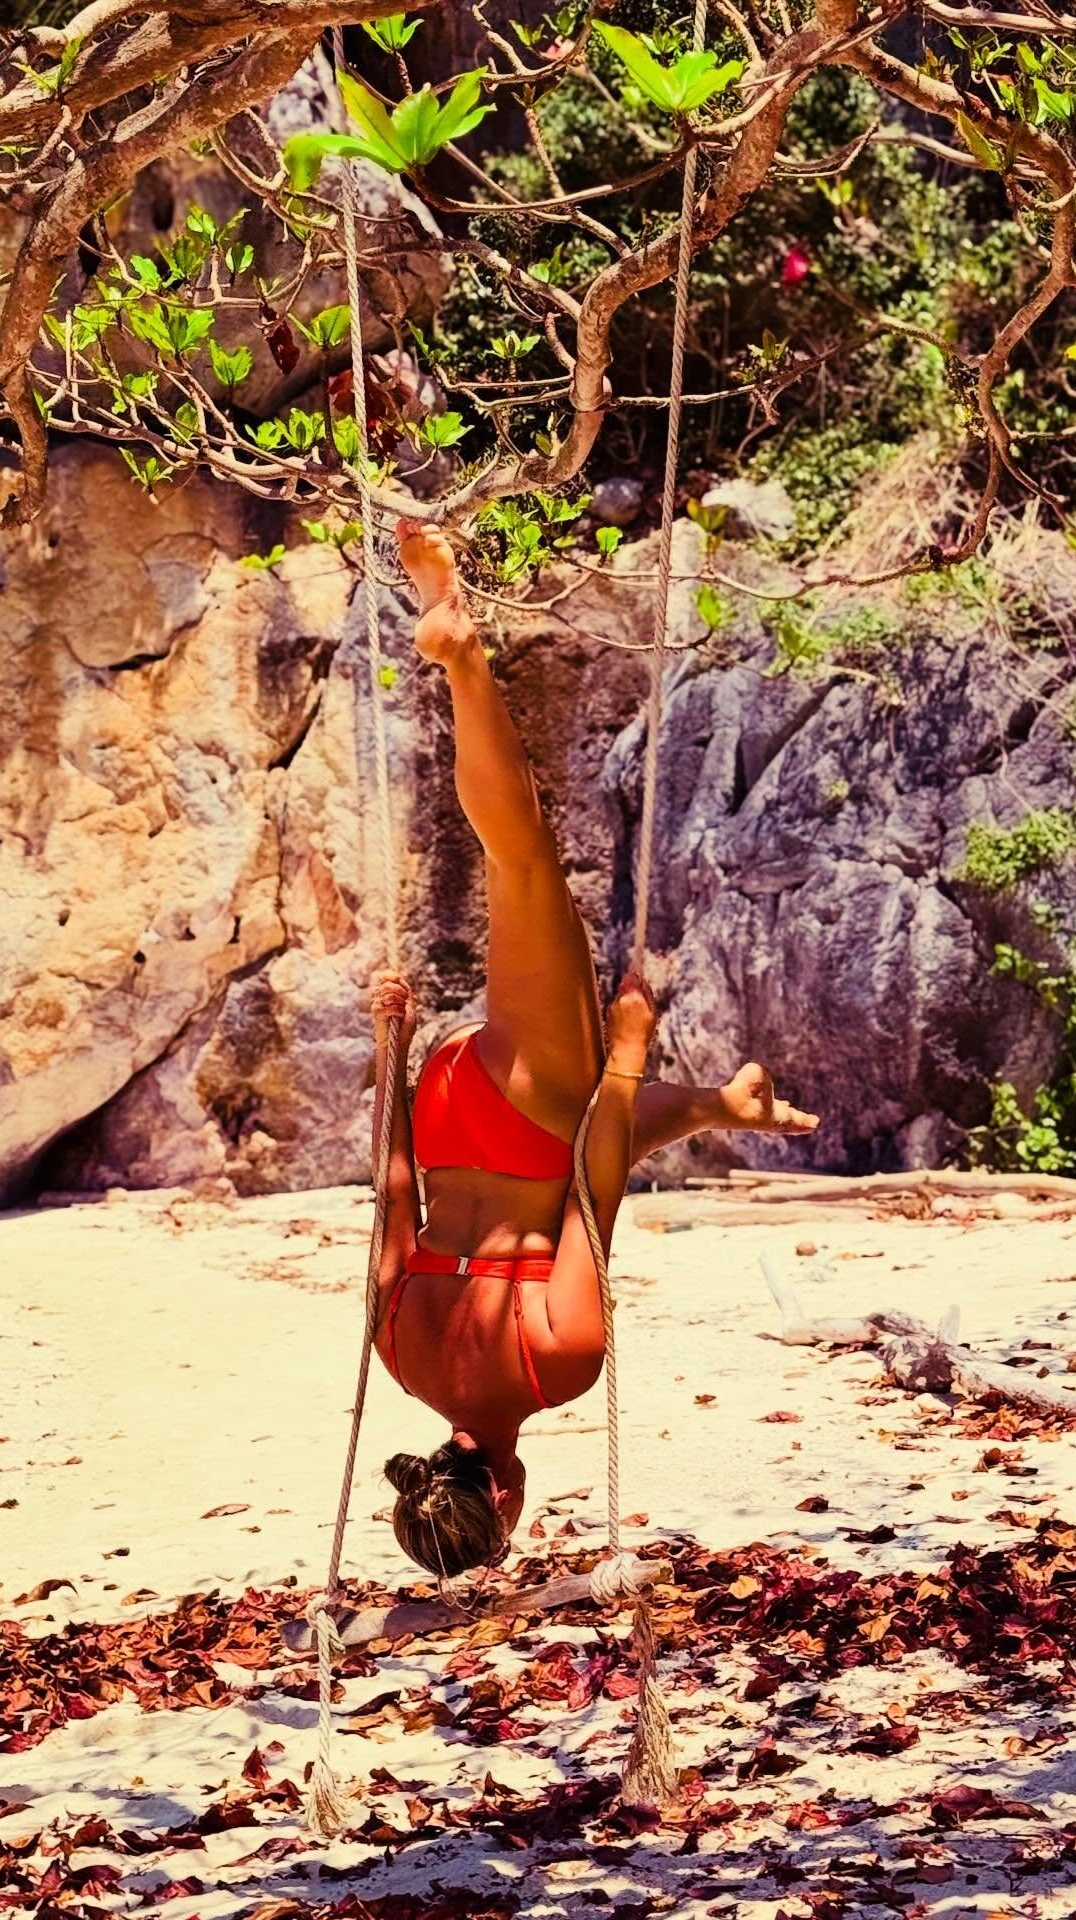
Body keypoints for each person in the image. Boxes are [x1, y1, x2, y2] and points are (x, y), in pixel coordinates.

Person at [371, 520, 820, 1579]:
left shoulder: (554, 1364)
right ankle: (720, 1105)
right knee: (581, 1072)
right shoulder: (403, 1358)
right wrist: (390, 1057)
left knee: (523, 859)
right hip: (445, 1112)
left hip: (529, 1125)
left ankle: (460, 652)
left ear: (506, 1500)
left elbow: (591, 1189)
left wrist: (626, 1054)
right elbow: (391, 1192)